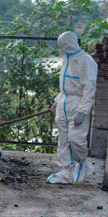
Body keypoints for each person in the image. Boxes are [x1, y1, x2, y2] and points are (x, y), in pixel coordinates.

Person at [47, 31, 97, 184]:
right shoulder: (66, 59)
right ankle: (65, 170)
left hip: (78, 103)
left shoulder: (85, 60)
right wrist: (57, 100)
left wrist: (83, 111)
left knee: (76, 139)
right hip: (64, 103)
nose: (61, 49)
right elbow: (65, 84)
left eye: (63, 45)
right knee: (63, 139)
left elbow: (89, 88)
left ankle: (83, 164)